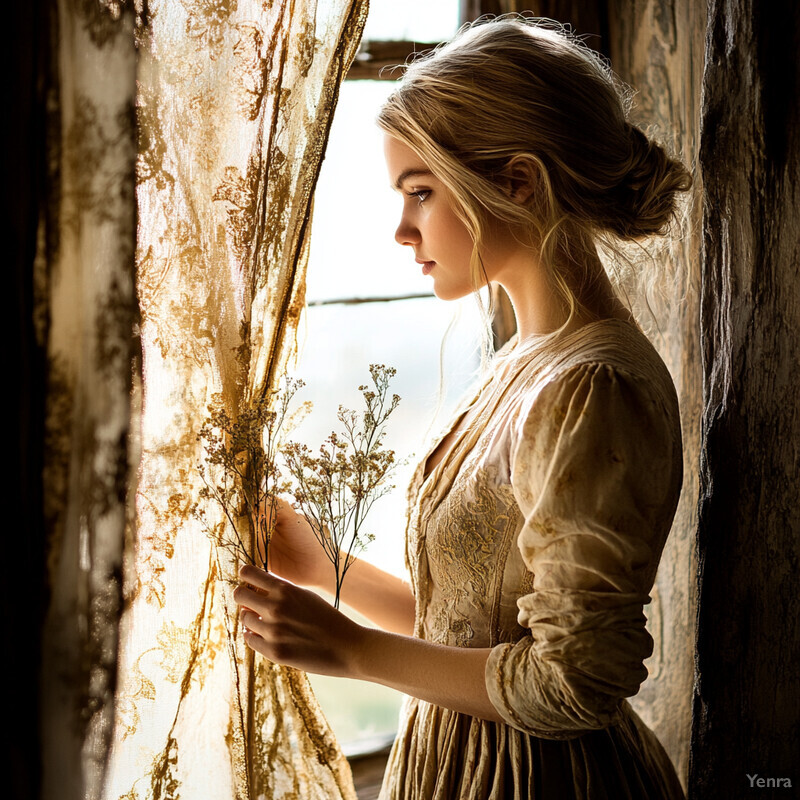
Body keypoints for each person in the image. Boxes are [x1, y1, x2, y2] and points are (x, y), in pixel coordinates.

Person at [234, 16, 691, 800]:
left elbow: (575, 682)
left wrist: (349, 651)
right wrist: (326, 570)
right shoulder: (524, 361)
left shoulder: (592, 388)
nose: (402, 229)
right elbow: (472, 631)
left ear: (517, 181)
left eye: (420, 191)